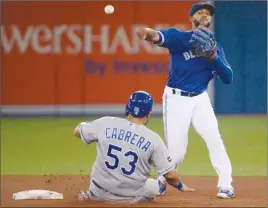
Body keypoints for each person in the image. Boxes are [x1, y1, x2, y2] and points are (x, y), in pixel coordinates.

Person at [136, 2, 235, 199]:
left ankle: (226, 184)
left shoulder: (216, 48)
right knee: (177, 153)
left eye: (208, 13)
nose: (205, 15)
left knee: (214, 138)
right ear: (192, 18)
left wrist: (214, 56)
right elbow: (157, 36)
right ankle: (163, 179)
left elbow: (228, 78)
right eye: (200, 12)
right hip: (176, 98)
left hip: (200, 98)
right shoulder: (180, 38)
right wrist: (146, 32)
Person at [74, 91, 194, 204]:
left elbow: (77, 131)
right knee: (153, 186)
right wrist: (180, 186)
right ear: (148, 114)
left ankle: (88, 195)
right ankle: (159, 186)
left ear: (128, 108)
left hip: (98, 192)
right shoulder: (153, 139)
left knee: (97, 185)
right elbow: (171, 176)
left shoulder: (105, 123)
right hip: (129, 198)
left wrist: (90, 125)